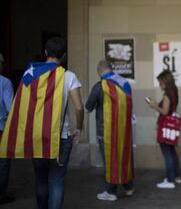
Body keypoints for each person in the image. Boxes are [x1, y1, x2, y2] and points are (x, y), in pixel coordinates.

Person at [0, 37, 84, 209]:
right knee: (57, 179)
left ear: (45, 52)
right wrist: (79, 128)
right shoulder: (69, 76)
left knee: (40, 178)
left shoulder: (29, 74)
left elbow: (21, 105)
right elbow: (79, 107)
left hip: (36, 135)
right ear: (64, 55)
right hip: (61, 136)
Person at [85, 60, 134, 201]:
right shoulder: (125, 83)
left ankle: (110, 191)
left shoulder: (100, 86)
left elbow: (88, 108)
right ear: (111, 69)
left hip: (105, 131)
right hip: (124, 130)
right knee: (124, 157)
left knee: (109, 160)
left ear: (99, 71)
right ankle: (128, 187)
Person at [147, 70, 181, 189]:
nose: (159, 85)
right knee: (172, 151)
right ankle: (176, 176)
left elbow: (165, 112)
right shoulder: (174, 92)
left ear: (165, 82)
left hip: (165, 126)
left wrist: (154, 106)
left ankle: (170, 180)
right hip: (171, 128)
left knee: (167, 153)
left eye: (160, 82)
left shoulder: (167, 94)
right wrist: (157, 104)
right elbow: (169, 109)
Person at [0, 53, 14, 205]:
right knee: (3, 164)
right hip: (1, 129)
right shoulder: (4, 82)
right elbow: (10, 108)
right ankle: (1, 196)